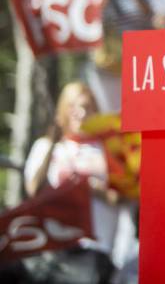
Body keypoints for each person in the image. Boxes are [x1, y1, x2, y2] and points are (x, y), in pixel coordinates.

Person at [22, 82, 123, 283]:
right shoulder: (47, 146)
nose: (81, 113)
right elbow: (33, 190)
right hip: (54, 245)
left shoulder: (107, 149)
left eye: (87, 107)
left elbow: (120, 196)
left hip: (95, 248)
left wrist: (89, 187)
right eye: (74, 106)